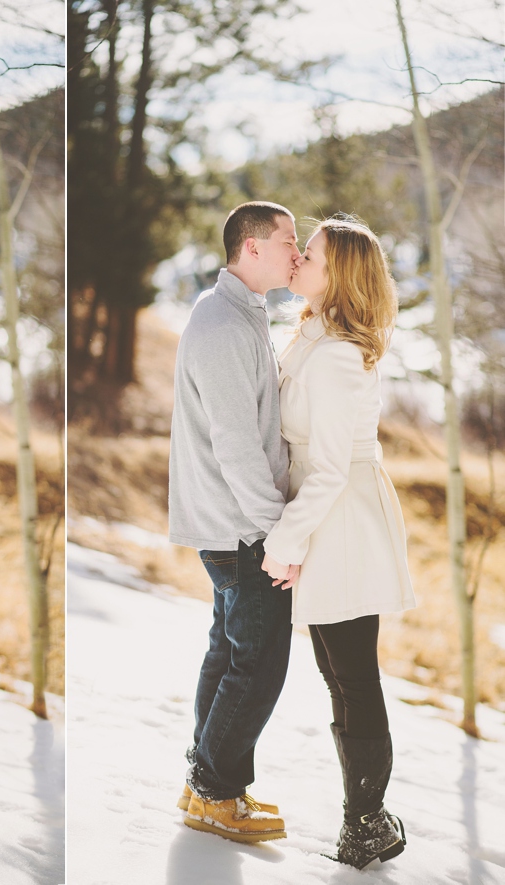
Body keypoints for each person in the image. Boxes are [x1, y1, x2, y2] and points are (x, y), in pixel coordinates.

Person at [261, 216, 415, 869]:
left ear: (339, 275)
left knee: (352, 675)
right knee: (338, 674)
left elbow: (324, 469)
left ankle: (366, 819)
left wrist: (282, 542)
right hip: (324, 515)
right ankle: (364, 816)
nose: (297, 259)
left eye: (311, 255)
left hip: (341, 521)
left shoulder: (334, 357)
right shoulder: (311, 338)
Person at [169, 201, 301, 843]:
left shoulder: (238, 312)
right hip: (243, 530)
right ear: (251, 248)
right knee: (259, 663)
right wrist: (278, 531)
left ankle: (207, 783)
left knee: (230, 655)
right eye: (287, 240)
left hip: (236, 527)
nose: (296, 251)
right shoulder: (222, 323)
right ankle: (215, 792)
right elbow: (235, 442)